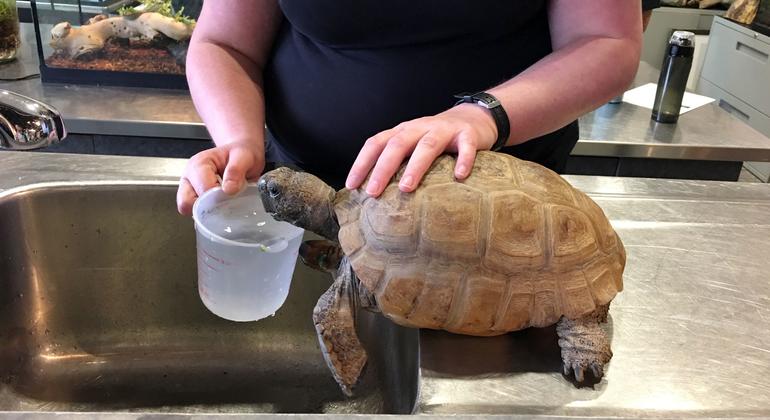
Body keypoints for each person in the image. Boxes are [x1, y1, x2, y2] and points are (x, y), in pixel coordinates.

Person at [176, 1, 642, 215]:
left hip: (495, 213)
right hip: (305, 194)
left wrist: (480, 114)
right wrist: (238, 139)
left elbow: (605, 41)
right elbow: (224, 42)